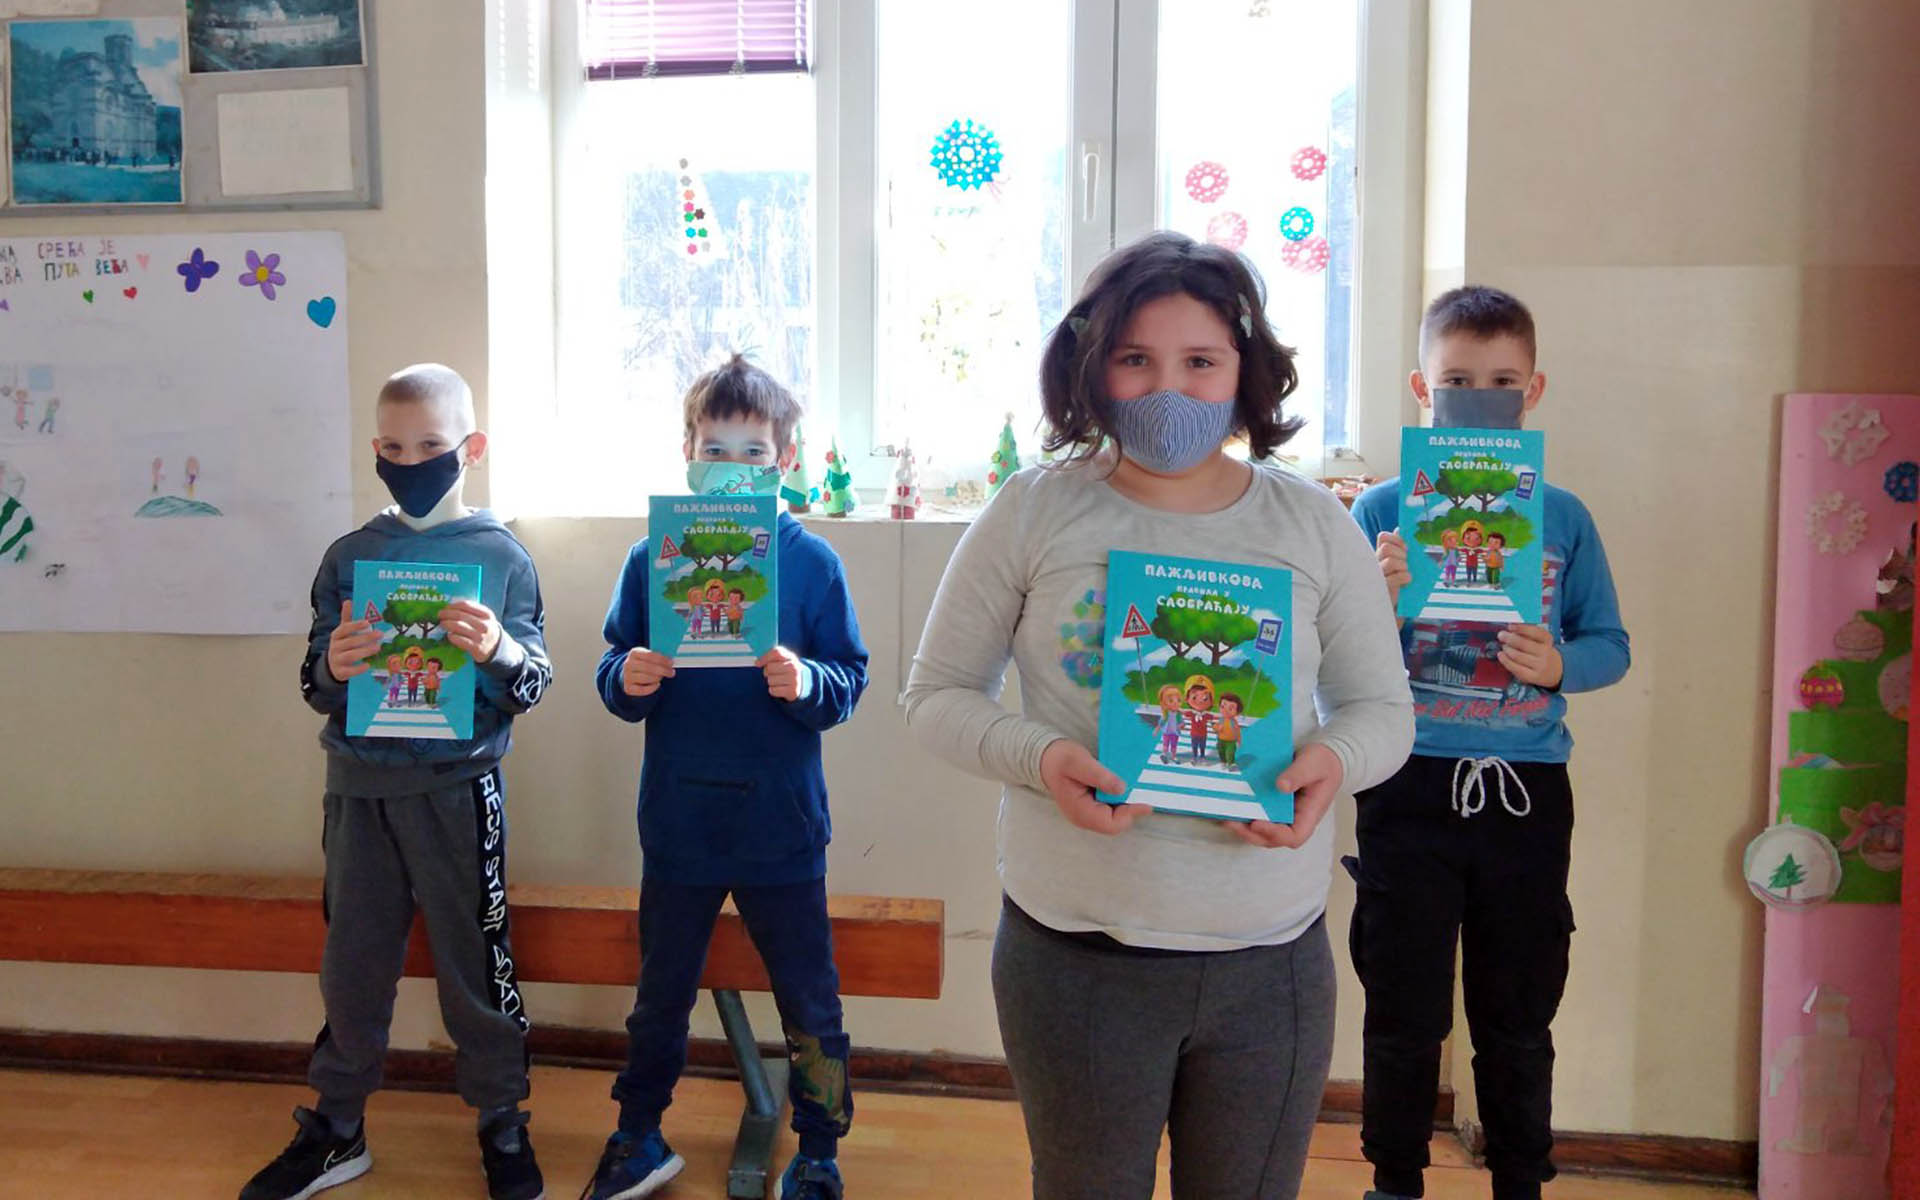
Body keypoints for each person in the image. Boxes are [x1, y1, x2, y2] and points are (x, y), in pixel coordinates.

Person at [903, 231, 1414, 1199]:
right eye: (1136, 359)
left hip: (1270, 961)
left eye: (1201, 362)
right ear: (1091, 368)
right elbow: (935, 699)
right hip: (1076, 957)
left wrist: (1333, 764)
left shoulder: (1314, 524)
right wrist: (1041, 756)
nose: (1168, 389)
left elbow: (1383, 711)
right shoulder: (1033, 510)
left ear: (1245, 370)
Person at [239, 363, 554, 1200]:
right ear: (375, 450)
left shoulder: (501, 557)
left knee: (476, 961)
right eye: (392, 447)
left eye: (430, 445)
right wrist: (336, 666)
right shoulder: (352, 557)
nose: (410, 462)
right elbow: (315, 682)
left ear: (471, 449)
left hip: (459, 791)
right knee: (352, 963)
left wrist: (497, 650)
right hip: (358, 791)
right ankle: (337, 1126)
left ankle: (501, 1119)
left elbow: (532, 683)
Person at [1349, 286, 1631, 1200]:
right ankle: (1395, 1178)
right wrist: (1382, 606)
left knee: (1518, 1008)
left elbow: (1610, 645)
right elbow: (1330, 662)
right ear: (1421, 389)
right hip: (1407, 784)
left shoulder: (1564, 517)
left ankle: (1520, 1179)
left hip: (1526, 790)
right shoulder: (1379, 511)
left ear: (1534, 390)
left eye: (1503, 381)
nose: (1481, 396)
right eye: (1457, 380)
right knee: (1403, 1004)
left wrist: (1559, 665)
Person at [586, 355, 870, 1200]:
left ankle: (818, 1151)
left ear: (785, 460)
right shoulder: (652, 558)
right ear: (687, 451)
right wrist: (629, 677)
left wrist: (807, 682)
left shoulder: (812, 563)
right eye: (716, 448)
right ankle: (638, 1133)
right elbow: (613, 667)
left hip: (781, 824)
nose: (733, 466)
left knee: (810, 999)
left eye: (754, 452)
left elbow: (848, 678)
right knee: (659, 993)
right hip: (680, 822)